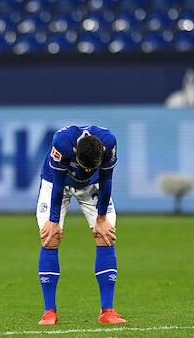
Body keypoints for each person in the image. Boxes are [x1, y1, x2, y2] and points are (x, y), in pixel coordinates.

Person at [35, 125, 127, 325]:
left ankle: (107, 311)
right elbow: (58, 186)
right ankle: (49, 312)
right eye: (83, 165)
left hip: (92, 186)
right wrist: (53, 221)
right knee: (50, 238)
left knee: (105, 235)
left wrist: (101, 219)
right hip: (56, 182)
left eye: (90, 167)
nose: (86, 170)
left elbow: (107, 180)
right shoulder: (62, 142)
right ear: (75, 152)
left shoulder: (109, 142)